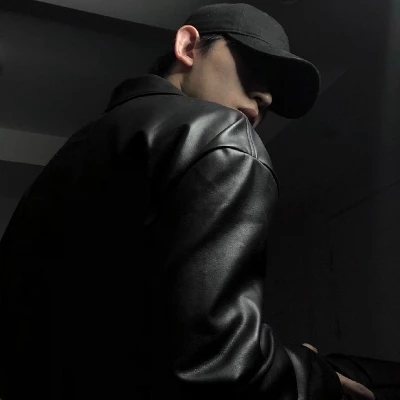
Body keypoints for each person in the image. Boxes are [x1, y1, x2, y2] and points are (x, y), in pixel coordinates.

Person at [0, 3, 377, 400]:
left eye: (274, 90)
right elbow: (215, 363)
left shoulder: (74, 156)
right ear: (187, 46)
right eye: (255, 65)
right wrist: (315, 378)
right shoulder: (221, 136)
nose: (265, 96)